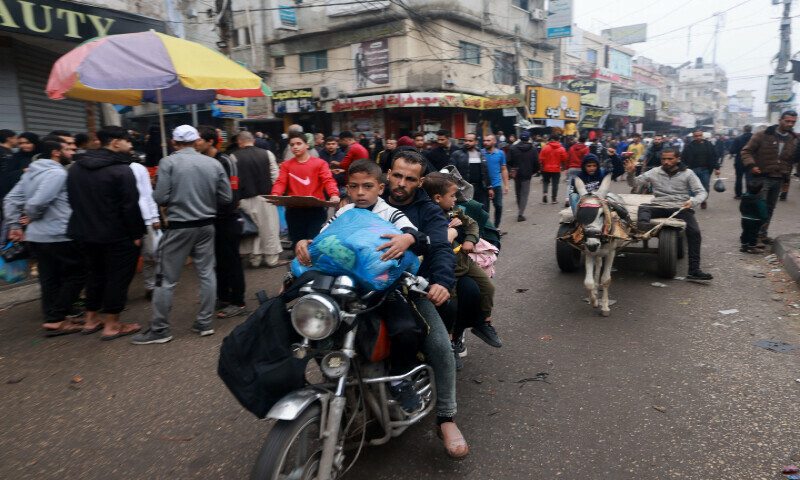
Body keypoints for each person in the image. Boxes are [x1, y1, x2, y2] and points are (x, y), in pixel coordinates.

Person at [297, 159, 428, 413]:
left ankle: (400, 380)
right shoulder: (343, 213)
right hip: (342, 288)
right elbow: (322, 239)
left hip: (382, 289)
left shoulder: (391, 213)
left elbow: (416, 236)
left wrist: (408, 238)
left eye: (367, 186)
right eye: (354, 187)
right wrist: (304, 242)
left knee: (406, 330)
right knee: (305, 322)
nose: (359, 193)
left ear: (380, 188)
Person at [383, 150, 467, 458]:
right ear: (387, 175)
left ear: (420, 182)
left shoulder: (429, 211)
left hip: (409, 290)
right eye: (397, 175)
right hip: (360, 288)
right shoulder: (366, 199)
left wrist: (442, 283)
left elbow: (441, 247)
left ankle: (446, 418)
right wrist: (306, 243)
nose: (401, 183)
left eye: (409, 178)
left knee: (440, 346)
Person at [132, 125, 232, 345]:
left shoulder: (168, 162)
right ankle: (205, 323)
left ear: (173, 142)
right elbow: (226, 197)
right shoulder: (213, 163)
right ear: (197, 140)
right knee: (206, 273)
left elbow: (160, 197)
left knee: (166, 279)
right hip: (206, 225)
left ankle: (160, 329)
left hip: (179, 226)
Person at [66, 126, 144, 340]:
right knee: (117, 278)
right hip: (117, 235)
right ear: (115, 142)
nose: (131, 145)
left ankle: (91, 320)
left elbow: (72, 200)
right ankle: (112, 325)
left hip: (84, 233)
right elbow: (130, 207)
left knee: (94, 276)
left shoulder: (75, 168)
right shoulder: (121, 170)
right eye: (128, 140)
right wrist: (137, 234)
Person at [4, 140, 86, 335]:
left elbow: (11, 200)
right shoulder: (56, 172)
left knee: (49, 277)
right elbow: (38, 202)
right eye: (67, 149)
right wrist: (29, 217)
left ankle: (53, 317)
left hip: (37, 237)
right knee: (77, 274)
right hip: (58, 233)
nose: (71, 151)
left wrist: (15, 223)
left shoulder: (30, 174)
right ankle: (57, 317)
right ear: (56, 153)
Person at [423, 173, 500, 351]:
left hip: (465, 261)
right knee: (453, 303)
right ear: (437, 198)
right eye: (452, 195)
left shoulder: (453, 210)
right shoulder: (428, 217)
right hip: (448, 269)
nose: (456, 199)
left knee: (488, 287)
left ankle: (484, 323)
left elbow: (472, 224)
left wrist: (470, 239)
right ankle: (451, 339)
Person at [625, 147, 713, 280]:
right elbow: (634, 183)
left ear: (678, 159)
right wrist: (631, 173)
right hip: (659, 205)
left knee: (695, 233)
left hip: (680, 208)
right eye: (664, 159)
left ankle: (694, 270)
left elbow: (702, 192)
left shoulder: (688, 173)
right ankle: (642, 231)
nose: (666, 161)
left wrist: (693, 202)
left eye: (670, 159)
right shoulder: (655, 171)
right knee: (643, 208)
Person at [197, 126, 247, 319]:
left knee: (231, 261)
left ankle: (238, 302)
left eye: (199, 139)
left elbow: (233, 193)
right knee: (216, 262)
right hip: (209, 220)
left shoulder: (225, 160)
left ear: (210, 141)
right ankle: (223, 297)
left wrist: (219, 212)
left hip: (226, 219)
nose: (195, 143)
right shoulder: (200, 161)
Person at [270, 133, 340, 247]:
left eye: (298, 144)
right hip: (294, 212)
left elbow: (328, 180)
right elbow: (280, 182)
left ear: (307, 145)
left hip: (315, 210)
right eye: (292, 145)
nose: (295, 147)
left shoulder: (320, 163)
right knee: (297, 245)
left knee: (313, 243)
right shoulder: (286, 165)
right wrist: (275, 195)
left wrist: (334, 194)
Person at [741, 111, 798, 245]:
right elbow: (746, 151)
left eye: (793, 122)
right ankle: (752, 238)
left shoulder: (793, 139)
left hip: (778, 178)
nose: (790, 124)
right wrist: (751, 165)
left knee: (769, 208)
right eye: (787, 121)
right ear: (780, 120)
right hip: (762, 177)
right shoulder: (763, 135)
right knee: (758, 207)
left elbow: (789, 161)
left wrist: (786, 181)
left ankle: (762, 235)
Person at [232, 131, 284, 268]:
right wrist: (276, 195)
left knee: (252, 230)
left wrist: (235, 198)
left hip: (244, 199)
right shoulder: (267, 154)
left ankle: (254, 259)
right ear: (253, 140)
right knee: (269, 229)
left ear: (239, 142)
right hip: (266, 198)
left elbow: (233, 180)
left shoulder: (234, 156)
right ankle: (271, 259)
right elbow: (275, 176)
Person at [129, 153, 160, 300]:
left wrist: (154, 216)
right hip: (123, 221)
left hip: (144, 218)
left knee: (150, 255)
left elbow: (148, 193)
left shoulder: (138, 168)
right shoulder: (112, 169)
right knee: (125, 259)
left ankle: (150, 287)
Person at [452, 133, 492, 211]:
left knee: (483, 211)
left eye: (470, 141)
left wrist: (489, 187)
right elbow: (452, 172)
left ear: (476, 142)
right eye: (466, 140)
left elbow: (485, 172)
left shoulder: (481, 154)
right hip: (465, 189)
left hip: (481, 189)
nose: (467, 143)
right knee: (467, 212)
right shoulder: (457, 154)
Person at [681, 129, 720, 209]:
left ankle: (703, 200)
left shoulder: (708, 145)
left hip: (705, 170)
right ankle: (691, 204)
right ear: (693, 137)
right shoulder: (689, 146)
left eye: (700, 135)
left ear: (702, 136)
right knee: (692, 188)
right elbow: (683, 158)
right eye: (696, 136)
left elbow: (714, 157)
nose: (698, 137)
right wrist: (684, 167)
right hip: (693, 170)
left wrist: (717, 168)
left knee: (705, 187)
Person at [506, 130, 540, 221]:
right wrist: (533, 171)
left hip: (517, 175)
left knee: (518, 193)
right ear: (529, 138)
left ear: (519, 138)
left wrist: (511, 170)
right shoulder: (533, 148)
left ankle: (520, 210)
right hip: (527, 175)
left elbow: (508, 161)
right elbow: (537, 163)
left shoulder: (513, 148)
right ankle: (520, 213)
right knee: (524, 194)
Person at [480, 135, 508, 229]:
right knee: (485, 209)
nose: (486, 142)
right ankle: (486, 228)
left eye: (488, 140)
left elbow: (504, 169)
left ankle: (496, 227)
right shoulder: (480, 153)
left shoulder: (500, 153)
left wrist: (506, 185)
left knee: (498, 206)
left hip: (496, 185)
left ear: (494, 141)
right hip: (484, 186)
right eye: (484, 140)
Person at [740, 180, 768, 254]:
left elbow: (741, 207)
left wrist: (744, 214)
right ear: (760, 190)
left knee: (745, 232)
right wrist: (765, 220)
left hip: (744, 218)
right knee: (753, 233)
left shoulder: (744, 197)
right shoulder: (760, 200)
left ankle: (744, 245)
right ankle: (752, 247)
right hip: (755, 220)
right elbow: (763, 211)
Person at [539, 133, 567, 204]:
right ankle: (554, 199)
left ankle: (545, 194)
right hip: (556, 169)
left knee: (546, 182)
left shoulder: (545, 148)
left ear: (551, 140)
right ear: (559, 140)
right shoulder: (561, 149)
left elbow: (540, 158)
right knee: (555, 183)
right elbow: (564, 158)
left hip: (546, 168)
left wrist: (540, 166)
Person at [730, 125, 754, 199]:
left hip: (740, 160)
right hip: (751, 160)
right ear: (751, 130)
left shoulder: (738, 139)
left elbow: (732, 151)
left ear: (743, 130)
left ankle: (738, 194)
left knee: (739, 178)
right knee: (749, 178)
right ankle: (749, 193)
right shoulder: (755, 138)